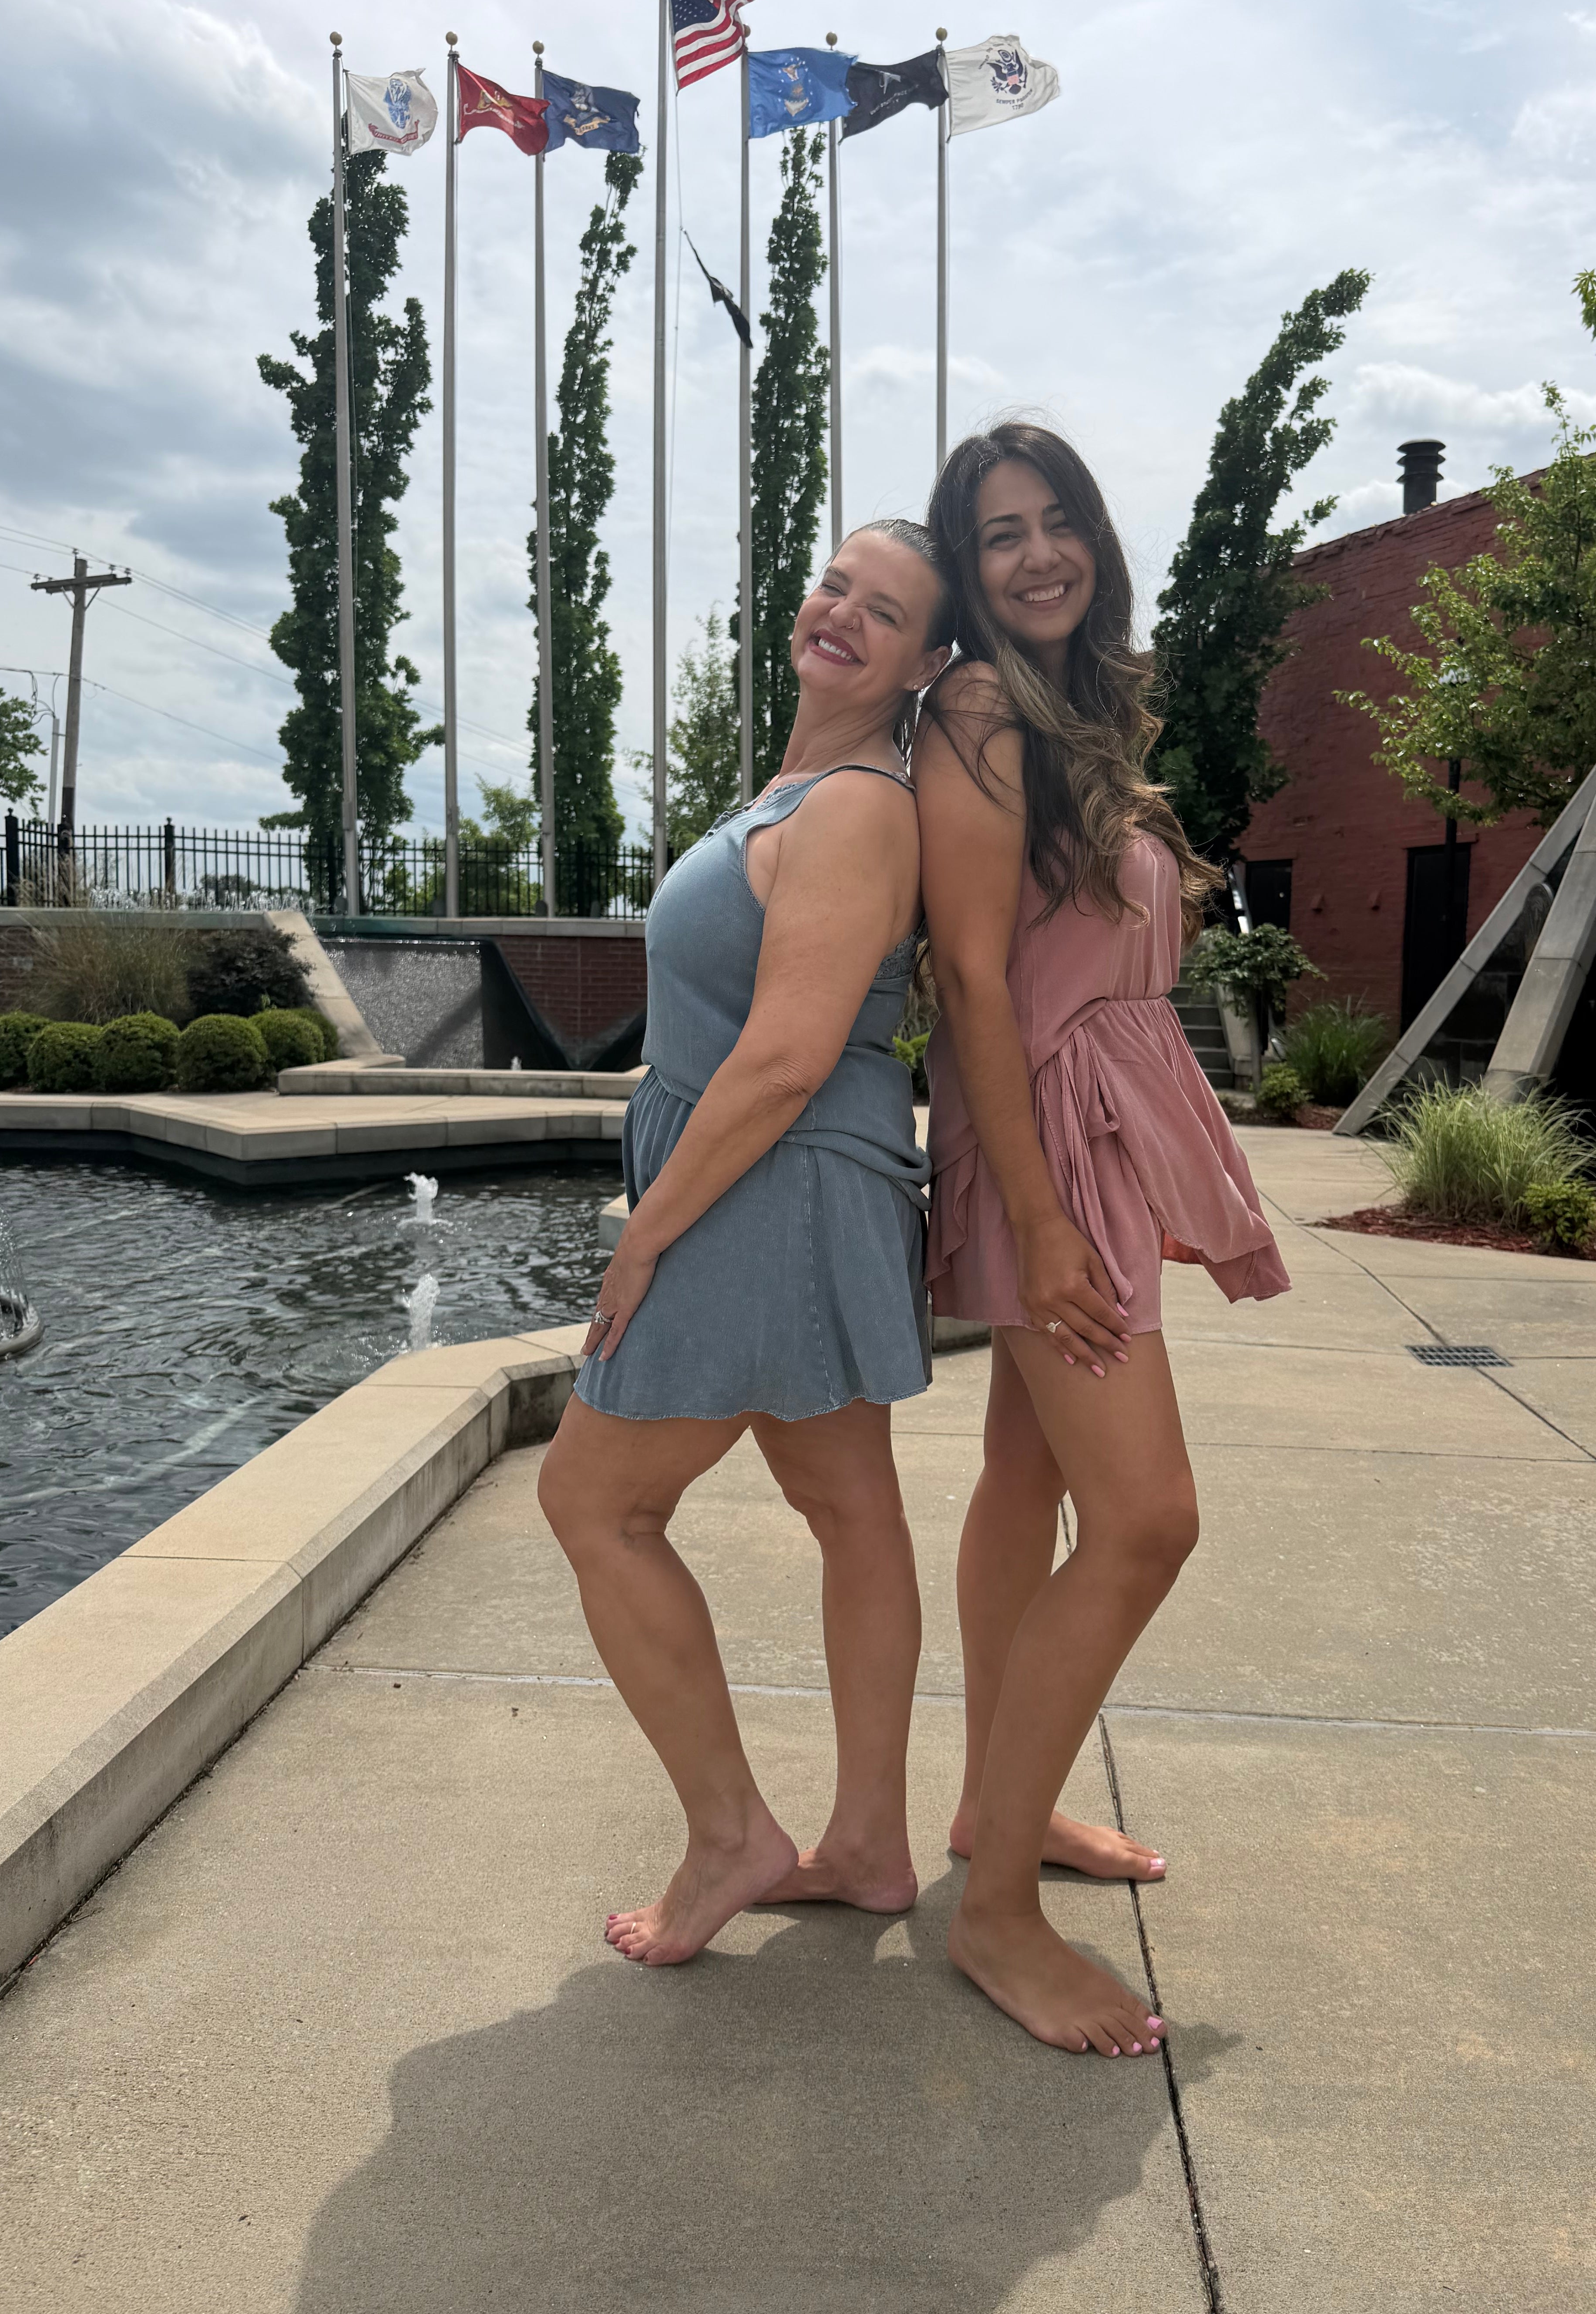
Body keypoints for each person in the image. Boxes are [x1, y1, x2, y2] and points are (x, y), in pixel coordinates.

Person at [915, 423, 1291, 2058]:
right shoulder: (982, 713)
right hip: (1047, 1152)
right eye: (999, 535)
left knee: (1035, 1480)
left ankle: (1000, 1810)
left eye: (1058, 522)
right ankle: (995, 1914)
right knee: (1147, 1521)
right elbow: (978, 983)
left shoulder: (1073, 712)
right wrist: (1048, 1219)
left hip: (1098, 1139)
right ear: (965, 564)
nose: (1036, 555)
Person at [537, 520, 954, 1968]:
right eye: (836, 581)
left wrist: (644, 1240)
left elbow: (781, 1059)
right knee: (849, 1507)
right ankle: (870, 1847)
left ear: (924, 662)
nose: (841, 612)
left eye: (885, 611)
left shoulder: (854, 806)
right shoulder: (804, 790)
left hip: (764, 1188)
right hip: (794, 1188)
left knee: (593, 1504)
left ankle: (734, 1838)